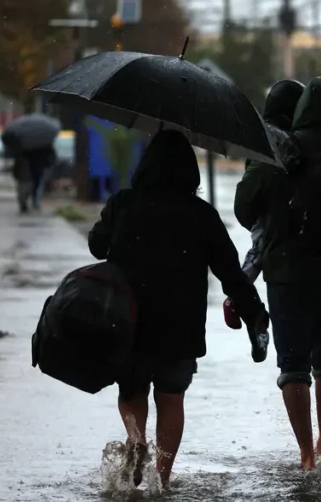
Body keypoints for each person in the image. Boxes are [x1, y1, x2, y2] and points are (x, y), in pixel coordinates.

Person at [88, 130, 269, 488]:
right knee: (171, 397)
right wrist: (255, 314)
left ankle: (136, 438)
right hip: (179, 325)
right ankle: (162, 479)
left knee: (131, 391)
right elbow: (230, 273)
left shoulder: (125, 203)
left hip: (129, 319)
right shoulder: (201, 215)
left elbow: (97, 246)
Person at [234, 76, 321, 470]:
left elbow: (245, 210)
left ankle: (306, 453)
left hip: (286, 272)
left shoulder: (276, 151)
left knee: (292, 365)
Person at [225, 79, 321, 331]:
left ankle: (243, 301)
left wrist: (274, 221)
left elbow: (244, 205)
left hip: (286, 269)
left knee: (292, 359)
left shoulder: (278, 147)